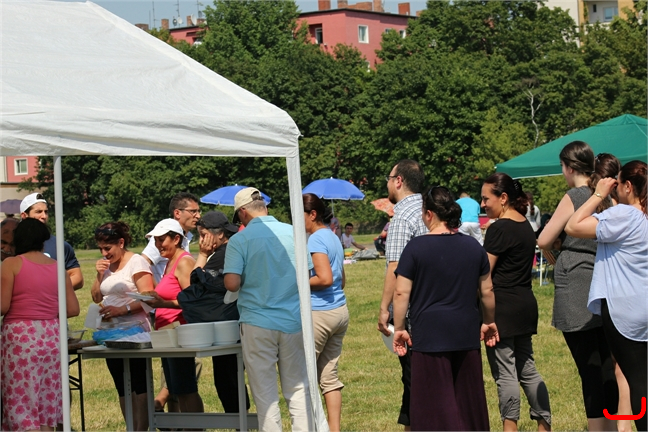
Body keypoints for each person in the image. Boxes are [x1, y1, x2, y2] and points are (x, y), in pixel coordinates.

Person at [392, 186, 497, 430]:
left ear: (429, 214)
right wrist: (489, 321)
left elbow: (401, 292)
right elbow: (487, 291)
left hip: (429, 335)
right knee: (468, 403)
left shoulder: (415, 248)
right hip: (466, 332)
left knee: (433, 406)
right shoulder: (473, 247)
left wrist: (399, 327)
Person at [537, 144, 620, 431]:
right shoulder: (605, 197)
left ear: (570, 168)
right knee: (606, 365)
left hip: (576, 285)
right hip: (604, 282)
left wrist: (553, 249)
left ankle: (597, 428)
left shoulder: (574, 196)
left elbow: (544, 239)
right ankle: (612, 427)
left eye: (562, 168)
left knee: (589, 368)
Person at [566, 160, 648, 432]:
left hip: (623, 310)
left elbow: (573, 226)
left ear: (628, 186)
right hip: (643, 303)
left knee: (638, 381)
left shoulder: (623, 215)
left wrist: (598, 194)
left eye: (618, 184)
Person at [223, 187, 313, 431]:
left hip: (257, 321)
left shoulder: (239, 240)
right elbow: (305, 276)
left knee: (265, 395)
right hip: (293, 320)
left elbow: (231, 283)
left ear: (243, 212)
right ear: (265, 207)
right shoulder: (293, 232)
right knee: (298, 389)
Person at [481, 173, 551, 431]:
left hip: (502, 309)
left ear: (503, 197)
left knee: (505, 374)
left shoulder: (499, 228)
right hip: (525, 305)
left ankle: (509, 429)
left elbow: (484, 273)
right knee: (528, 370)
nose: (482, 204)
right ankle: (545, 425)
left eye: (486, 199)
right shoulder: (525, 225)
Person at [1, 218, 80, 431]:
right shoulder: (58, 268)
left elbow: (3, 305)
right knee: (47, 404)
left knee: (22, 403)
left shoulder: (11, 264)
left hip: (21, 337)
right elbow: (73, 309)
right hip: (52, 336)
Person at [377, 159, 427, 429]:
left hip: (411, 312)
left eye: (389, 178)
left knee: (413, 383)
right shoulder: (430, 211)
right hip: (434, 307)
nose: (387, 184)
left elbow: (395, 268)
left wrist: (385, 310)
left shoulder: (402, 217)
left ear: (399, 181)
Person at [141, 192, 202, 413]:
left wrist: (162, 303)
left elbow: (191, 300)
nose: (157, 245)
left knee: (186, 388)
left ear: (176, 239)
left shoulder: (184, 262)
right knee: (177, 388)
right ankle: (182, 426)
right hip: (167, 332)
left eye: (161, 240)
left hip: (179, 330)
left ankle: (194, 427)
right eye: (156, 241)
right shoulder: (169, 262)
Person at [90, 221, 155, 431]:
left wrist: (123, 309)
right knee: (122, 385)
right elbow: (96, 296)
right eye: (101, 249)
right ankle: (131, 428)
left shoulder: (137, 262)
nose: (104, 253)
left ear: (121, 242)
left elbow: (149, 298)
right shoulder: (106, 265)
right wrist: (99, 274)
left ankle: (141, 428)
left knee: (138, 383)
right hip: (111, 334)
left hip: (136, 332)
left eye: (107, 248)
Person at [192, 211, 250, 414]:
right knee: (230, 379)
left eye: (203, 235)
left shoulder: (222, 255)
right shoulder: (229, 250)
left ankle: (240, 423)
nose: (201, 240)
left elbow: (194, 285)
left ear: (220, 234)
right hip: (233, 322)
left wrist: (202, 255)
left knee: (227, 381)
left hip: (227, 325)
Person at [303, 194, 348, 432]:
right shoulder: (332, 236)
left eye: (299, 216)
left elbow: (325, 278)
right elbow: (341, 280)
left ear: (312, 214)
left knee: (304, 376)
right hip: (339, 311)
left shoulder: (315, 239)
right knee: (329, 377)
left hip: (319, 314)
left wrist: (298, 280)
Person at [20, 192, 83, 290]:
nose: (44, 216)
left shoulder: (60, 245)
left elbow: (77, 277)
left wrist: (51, 290)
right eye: (38, 212)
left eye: (46, 212)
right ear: (24, 215)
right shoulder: (12, 244)